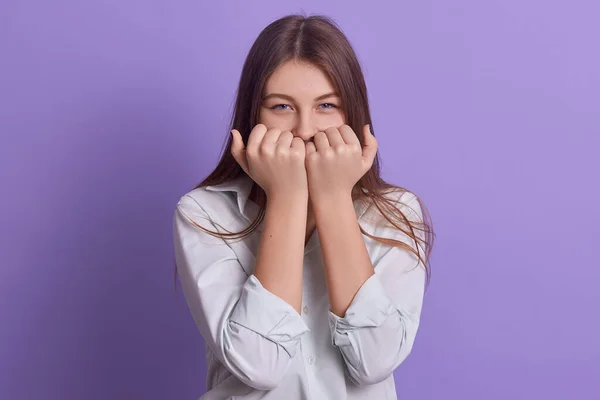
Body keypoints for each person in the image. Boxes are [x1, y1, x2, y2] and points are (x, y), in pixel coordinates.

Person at [173, 13, 434, 400]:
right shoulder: (204, 213)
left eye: (326, 105)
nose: (305, 129)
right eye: (281, 107)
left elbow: (375, 362)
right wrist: (287, 197)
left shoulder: (396, 212)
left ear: (354, 115)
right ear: (252, 116)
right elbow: (259, 364)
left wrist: (332, 200)